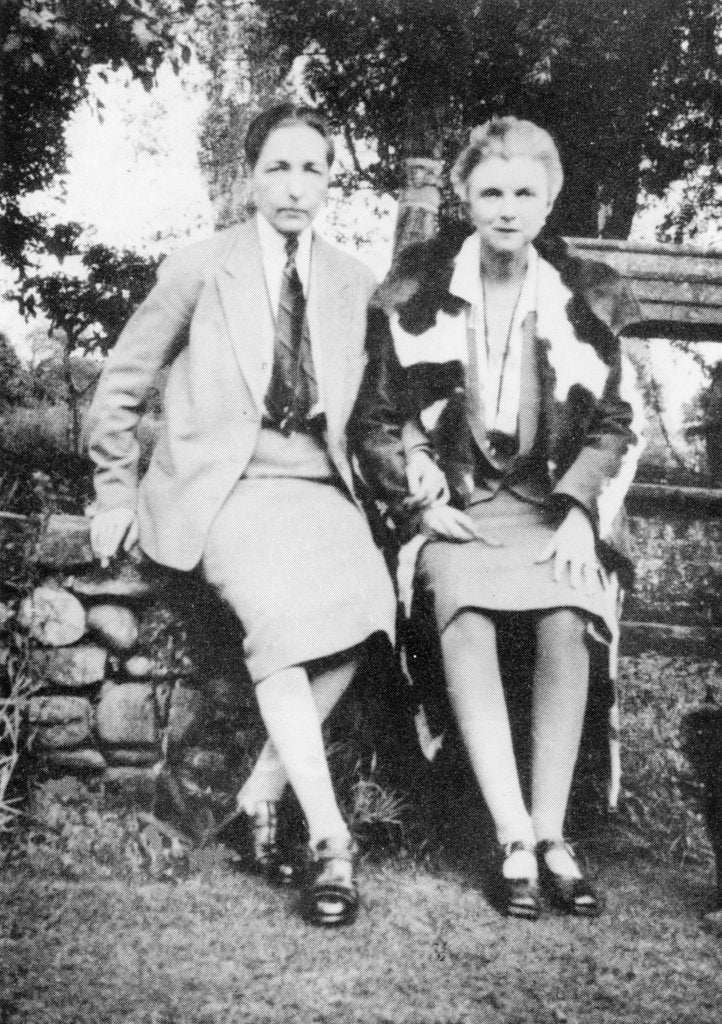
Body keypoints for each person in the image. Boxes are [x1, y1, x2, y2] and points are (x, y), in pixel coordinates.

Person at [86, 103, 398, 927]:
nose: (296, 186)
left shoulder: (353, 280)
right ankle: (331, 839)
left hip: (318, 488)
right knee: (284, 622)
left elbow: (376, 411)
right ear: (248, 177)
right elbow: (121, 385)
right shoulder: (200, 267)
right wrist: (115, 491)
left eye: (313, 169)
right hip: (227, 490)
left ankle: (259, 792)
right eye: (279, 167)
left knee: (371, 610)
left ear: (332, 181)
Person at [356, 116, 645, 919]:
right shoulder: (417, 289)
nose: (508, 208)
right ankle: (512, 836)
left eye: (525, 192)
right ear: (465, 197)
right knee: (464, 607)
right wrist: (417, 496)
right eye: (491, 191)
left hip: (552, 508)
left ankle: (555, 836)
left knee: (567, 610)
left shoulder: (584, 297)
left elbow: (616, 423)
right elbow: (376, 419)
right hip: (462, 511)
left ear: (549, 201)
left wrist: (583, 515)